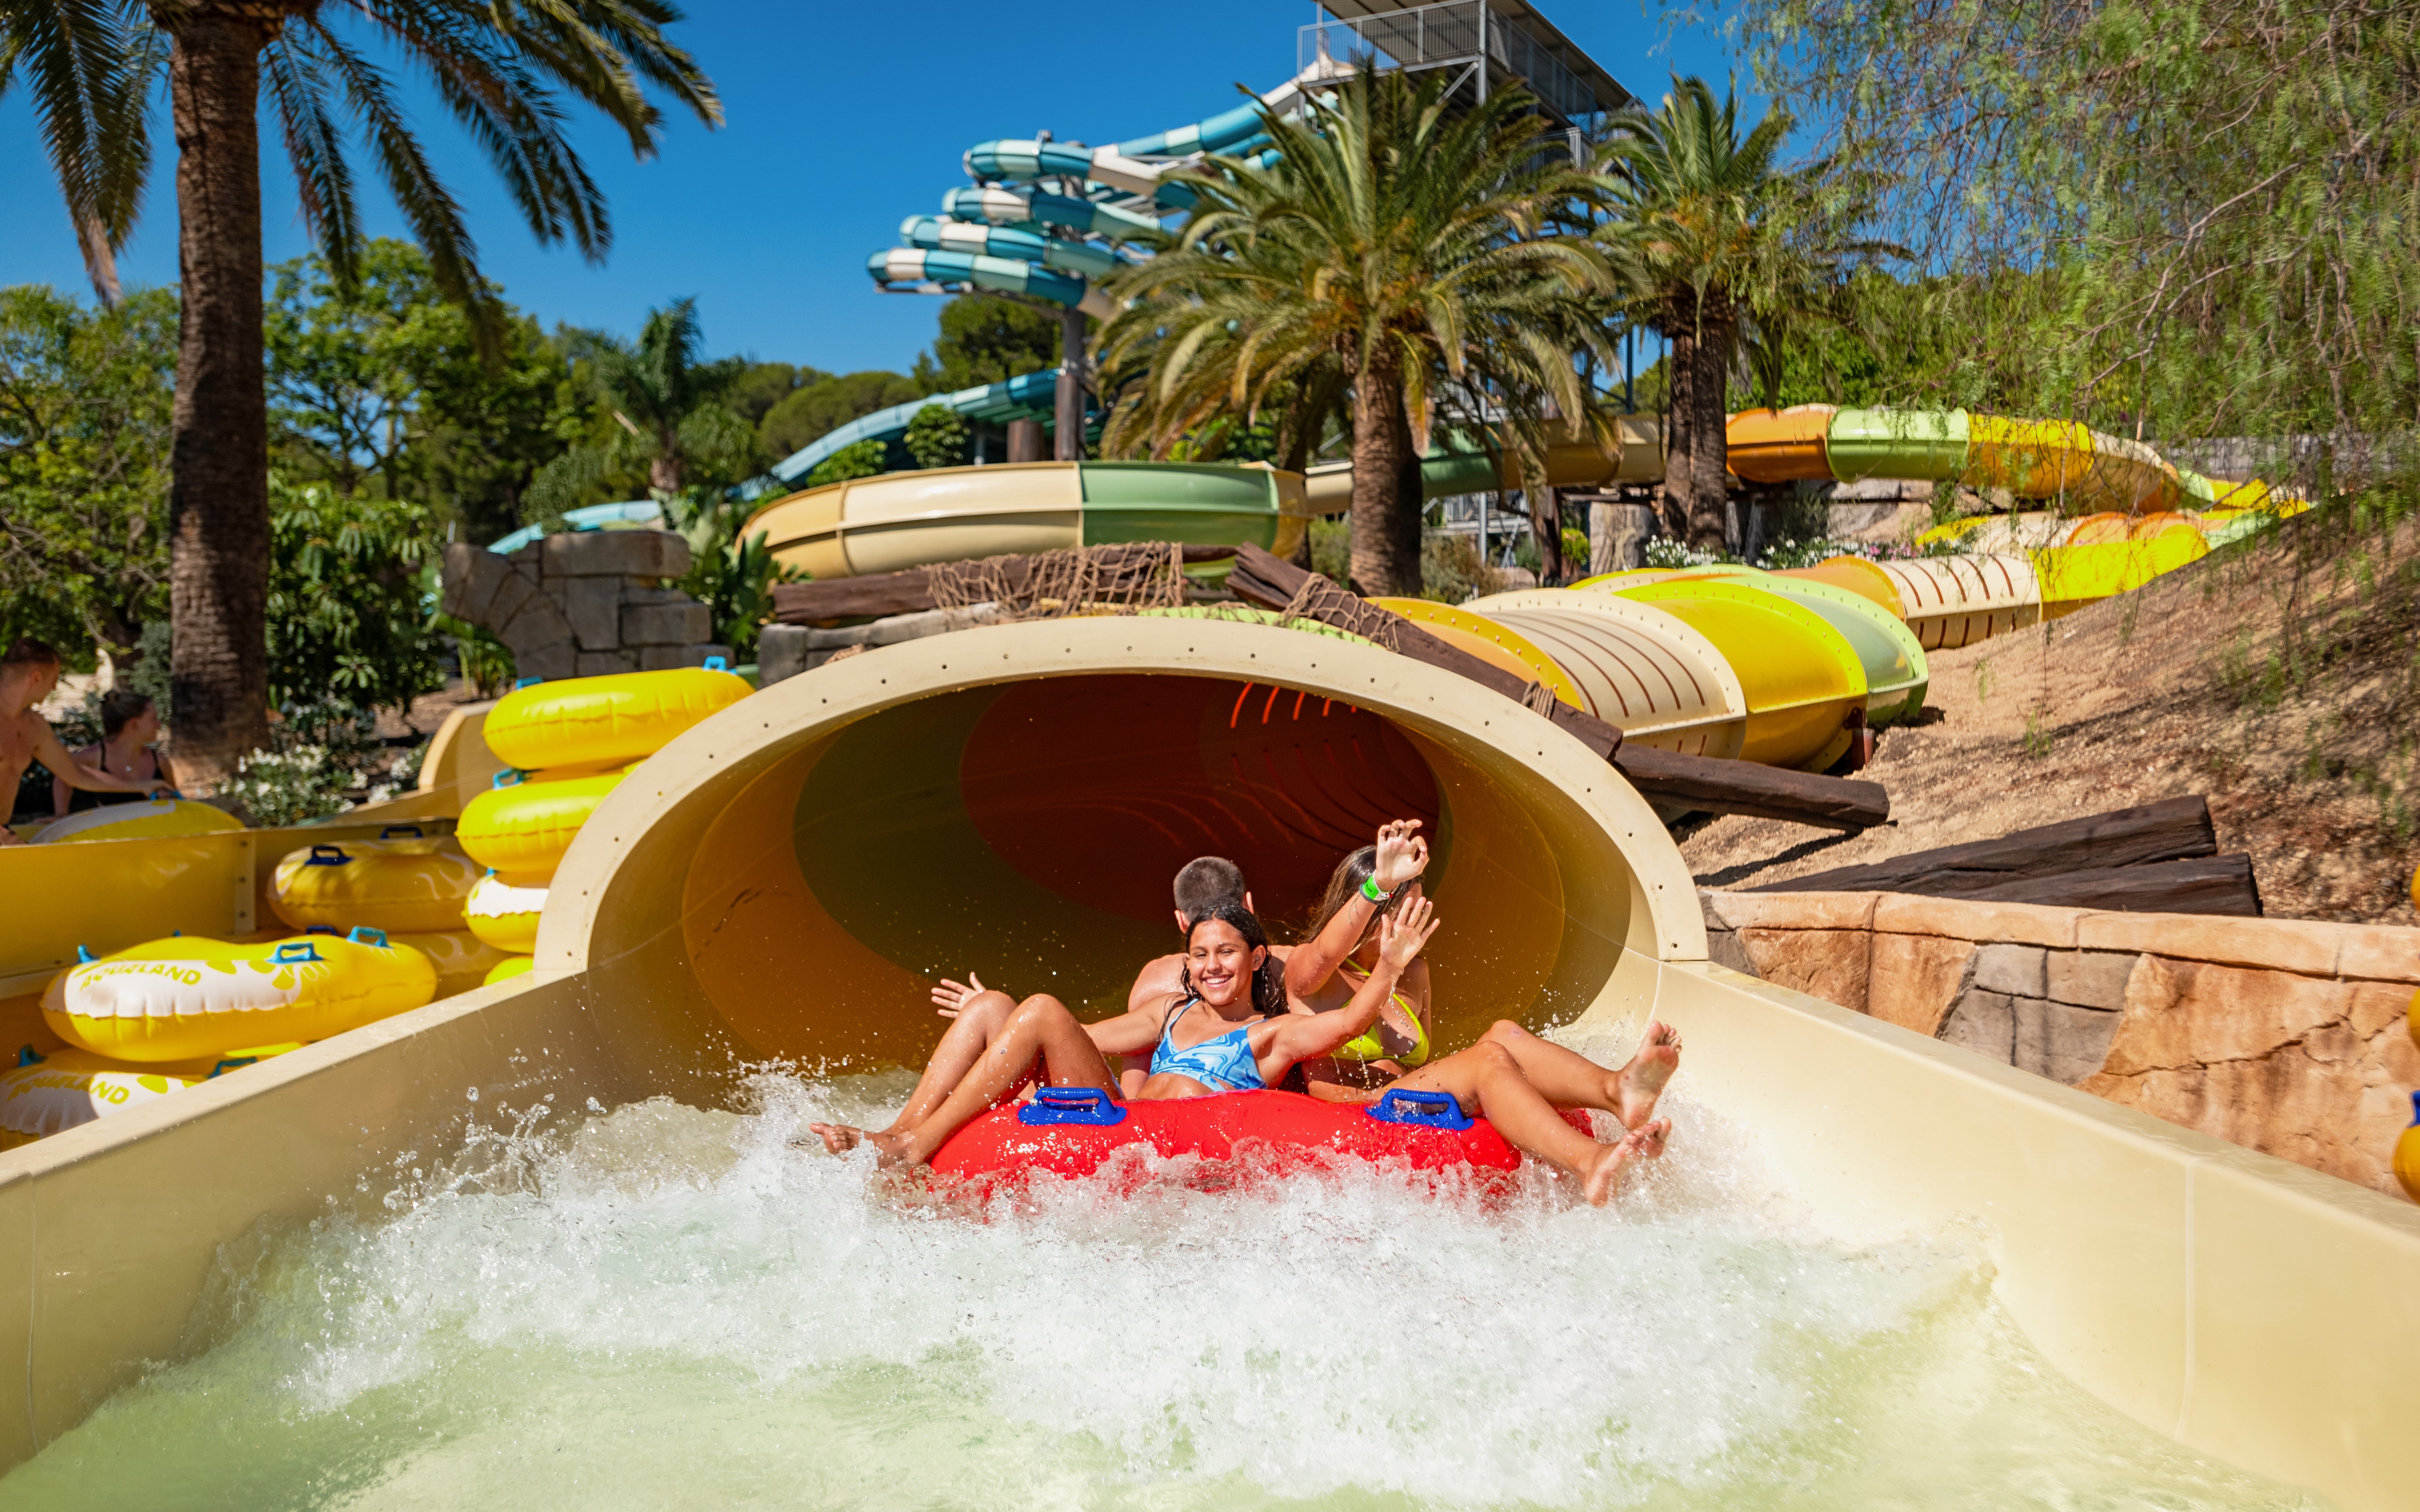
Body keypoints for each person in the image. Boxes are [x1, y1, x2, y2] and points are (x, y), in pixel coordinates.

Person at [925, 854, 1294, 1101]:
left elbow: (1132, 1086)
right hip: (1155, 1122)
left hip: (1156, 1117)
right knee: (1001, 1010)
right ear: (1249, 904)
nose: (1213, 968)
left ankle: (914, 1131)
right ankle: (914, 1137)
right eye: (1200, 956)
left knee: (996, 1009)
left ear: (1182, 921)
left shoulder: (1155, 979)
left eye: (1226, 953)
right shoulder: (1293, 967)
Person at [1286, 822, 1437, 1091]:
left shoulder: (1414, 972)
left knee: (1502, 1041)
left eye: (1418, 909)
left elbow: (1425, 1072)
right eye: (1405, 911)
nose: (1412, 922)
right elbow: (1327, 952)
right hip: (1346, 1117)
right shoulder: (1312, 972)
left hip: (1405, 1112)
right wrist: (1380, 884)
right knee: (1491, 1058)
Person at [1, 640, 174, 844]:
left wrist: (142, 786)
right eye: (54, 679)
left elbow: (76, 774)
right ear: (36, 678)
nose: (55, 687)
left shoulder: (34, 727)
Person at [53, 689, 177, 816]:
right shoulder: (94, 757)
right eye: (154, 719)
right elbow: (62, 778)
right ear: (134, 724)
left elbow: (177, 804)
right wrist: (61, 816)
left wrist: (169, 798)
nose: (159, 725)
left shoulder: (160, 762)